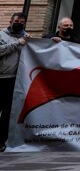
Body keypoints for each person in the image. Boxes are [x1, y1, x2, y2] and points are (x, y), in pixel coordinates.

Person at [0, 12, 29, 152]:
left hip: (14, 81)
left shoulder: (27, 38)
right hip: (1, 78)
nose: (19, 23)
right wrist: (18, 44)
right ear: (11, 21)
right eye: (17, 20)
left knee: (7, 113)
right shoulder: (1, 35)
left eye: (22, 22)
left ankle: (1, 141)